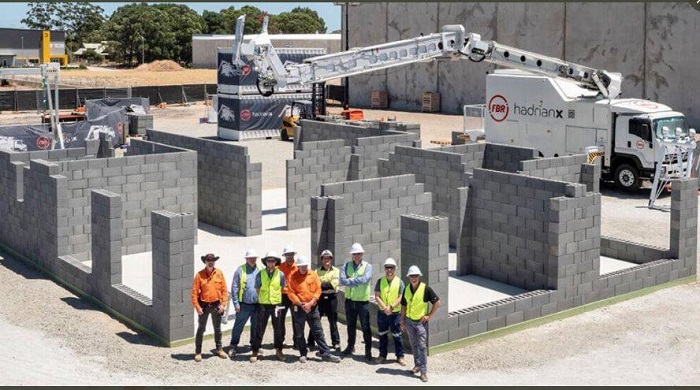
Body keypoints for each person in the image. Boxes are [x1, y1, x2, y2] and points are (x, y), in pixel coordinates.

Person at [287, 255, 341, 363]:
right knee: (299, 332)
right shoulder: (292, 276)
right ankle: (303, 353)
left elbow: (318, 290)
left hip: (313, 307)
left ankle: (325, 353)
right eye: (301, 266)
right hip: (299, 307)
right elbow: (290, 292)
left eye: (305, 266)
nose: (303, 268)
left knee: (318, 331)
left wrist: (311, 303)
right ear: (298, 266)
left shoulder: (313, 274)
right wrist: (301, 304)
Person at [400, 265, 441, 383]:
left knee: (422, 346)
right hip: (409, 321)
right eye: (412, 276)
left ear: (419, 277)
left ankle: (423, 371)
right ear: (409, 277)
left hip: (420, 323)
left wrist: (429, 315)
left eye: (416, 276)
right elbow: (404, 305)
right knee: (413, 344)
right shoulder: (406, 289)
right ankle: (417, 365)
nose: (414, 278)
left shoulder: (426, 289)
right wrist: (402, 321)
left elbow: (437, 303)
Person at [191, 253, 229, 362]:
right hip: (204, 306)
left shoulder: (219, 273)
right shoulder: (199, 275)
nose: (211, 262)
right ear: (205, 262)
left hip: (216, 305)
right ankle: (198, 352)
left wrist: (223, 304)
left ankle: (219, 349)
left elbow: (224, 290)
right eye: (208, 260)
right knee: (201, 329)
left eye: (212, 260)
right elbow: (194, 293)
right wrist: (197, 307)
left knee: (217, 329)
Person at [250, 251, 287, 363]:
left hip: (276, 305)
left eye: (273, 261)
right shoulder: (260, 274)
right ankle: (255, 351)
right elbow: (257, 289)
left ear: (276, 262)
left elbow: (282, 287)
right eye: (269, 261)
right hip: (264, 305)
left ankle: (279, 350)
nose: (271, 263)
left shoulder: (280, 274)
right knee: (259, 328)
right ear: (265, 262)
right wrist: (263, 298)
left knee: (278, 329)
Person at [339, 242, 374, 362]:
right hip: (350, 301)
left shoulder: (367, 266)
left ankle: (368, 351)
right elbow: (343, 281)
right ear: (352, 255)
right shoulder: (346, 265)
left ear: (362, 254)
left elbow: (366, 279)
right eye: (355, 254)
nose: (357, 256)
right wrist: (355, 281)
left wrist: (352, 280)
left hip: (362, 302)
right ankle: (350, 347)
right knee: (351, 326)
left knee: (366, 327)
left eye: (359, 254)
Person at [227, 248, 261, 358]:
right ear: (246, 259)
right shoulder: (240, 270)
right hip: (244, 305)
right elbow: (234, 287)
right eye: (250, 258)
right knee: (238, 326)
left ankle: (254, 346)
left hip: (257, 304)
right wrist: (236, 303)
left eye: (254, 258)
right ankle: (233, 345)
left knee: (256, 326)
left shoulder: (260, 269)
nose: (252, 260)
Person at [373, 258, 406, 366]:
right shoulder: (380, 281)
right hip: (382, 313)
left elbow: (401, 297)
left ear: (395, 269)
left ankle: (400, 356)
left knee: (397, 335)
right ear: (385, 269)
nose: (389, 270)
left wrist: (391, 307)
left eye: (391, 267)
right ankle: (382, 355)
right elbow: (377, 296)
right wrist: (385, 308)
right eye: (387, 268)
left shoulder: (399, 282)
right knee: (382, 335)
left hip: (395, 314)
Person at [307, 249, 341, 351]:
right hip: (320, 298)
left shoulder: (336, 271)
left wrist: (321, 285)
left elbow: (333, 285)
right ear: (322, 259)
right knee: (315, 320)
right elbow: (315, 286)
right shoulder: (316, 271)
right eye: (324, 258)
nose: (326, 260)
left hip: (331, 299)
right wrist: (323, 285)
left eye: (328, 258)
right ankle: (310, 342)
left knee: (333, 321)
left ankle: (336, 342)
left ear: (331, 259)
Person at [278, 245, 299, 349]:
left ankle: (297, 342)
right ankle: (280, 341)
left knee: (296, 319)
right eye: (287, 255)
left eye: (291, 254)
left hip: (294, 296)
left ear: (293, 255)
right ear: (285, 255)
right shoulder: (280, 267)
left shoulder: (299, 266)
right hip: (283, 296)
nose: (289, 256)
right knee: (280, 319)